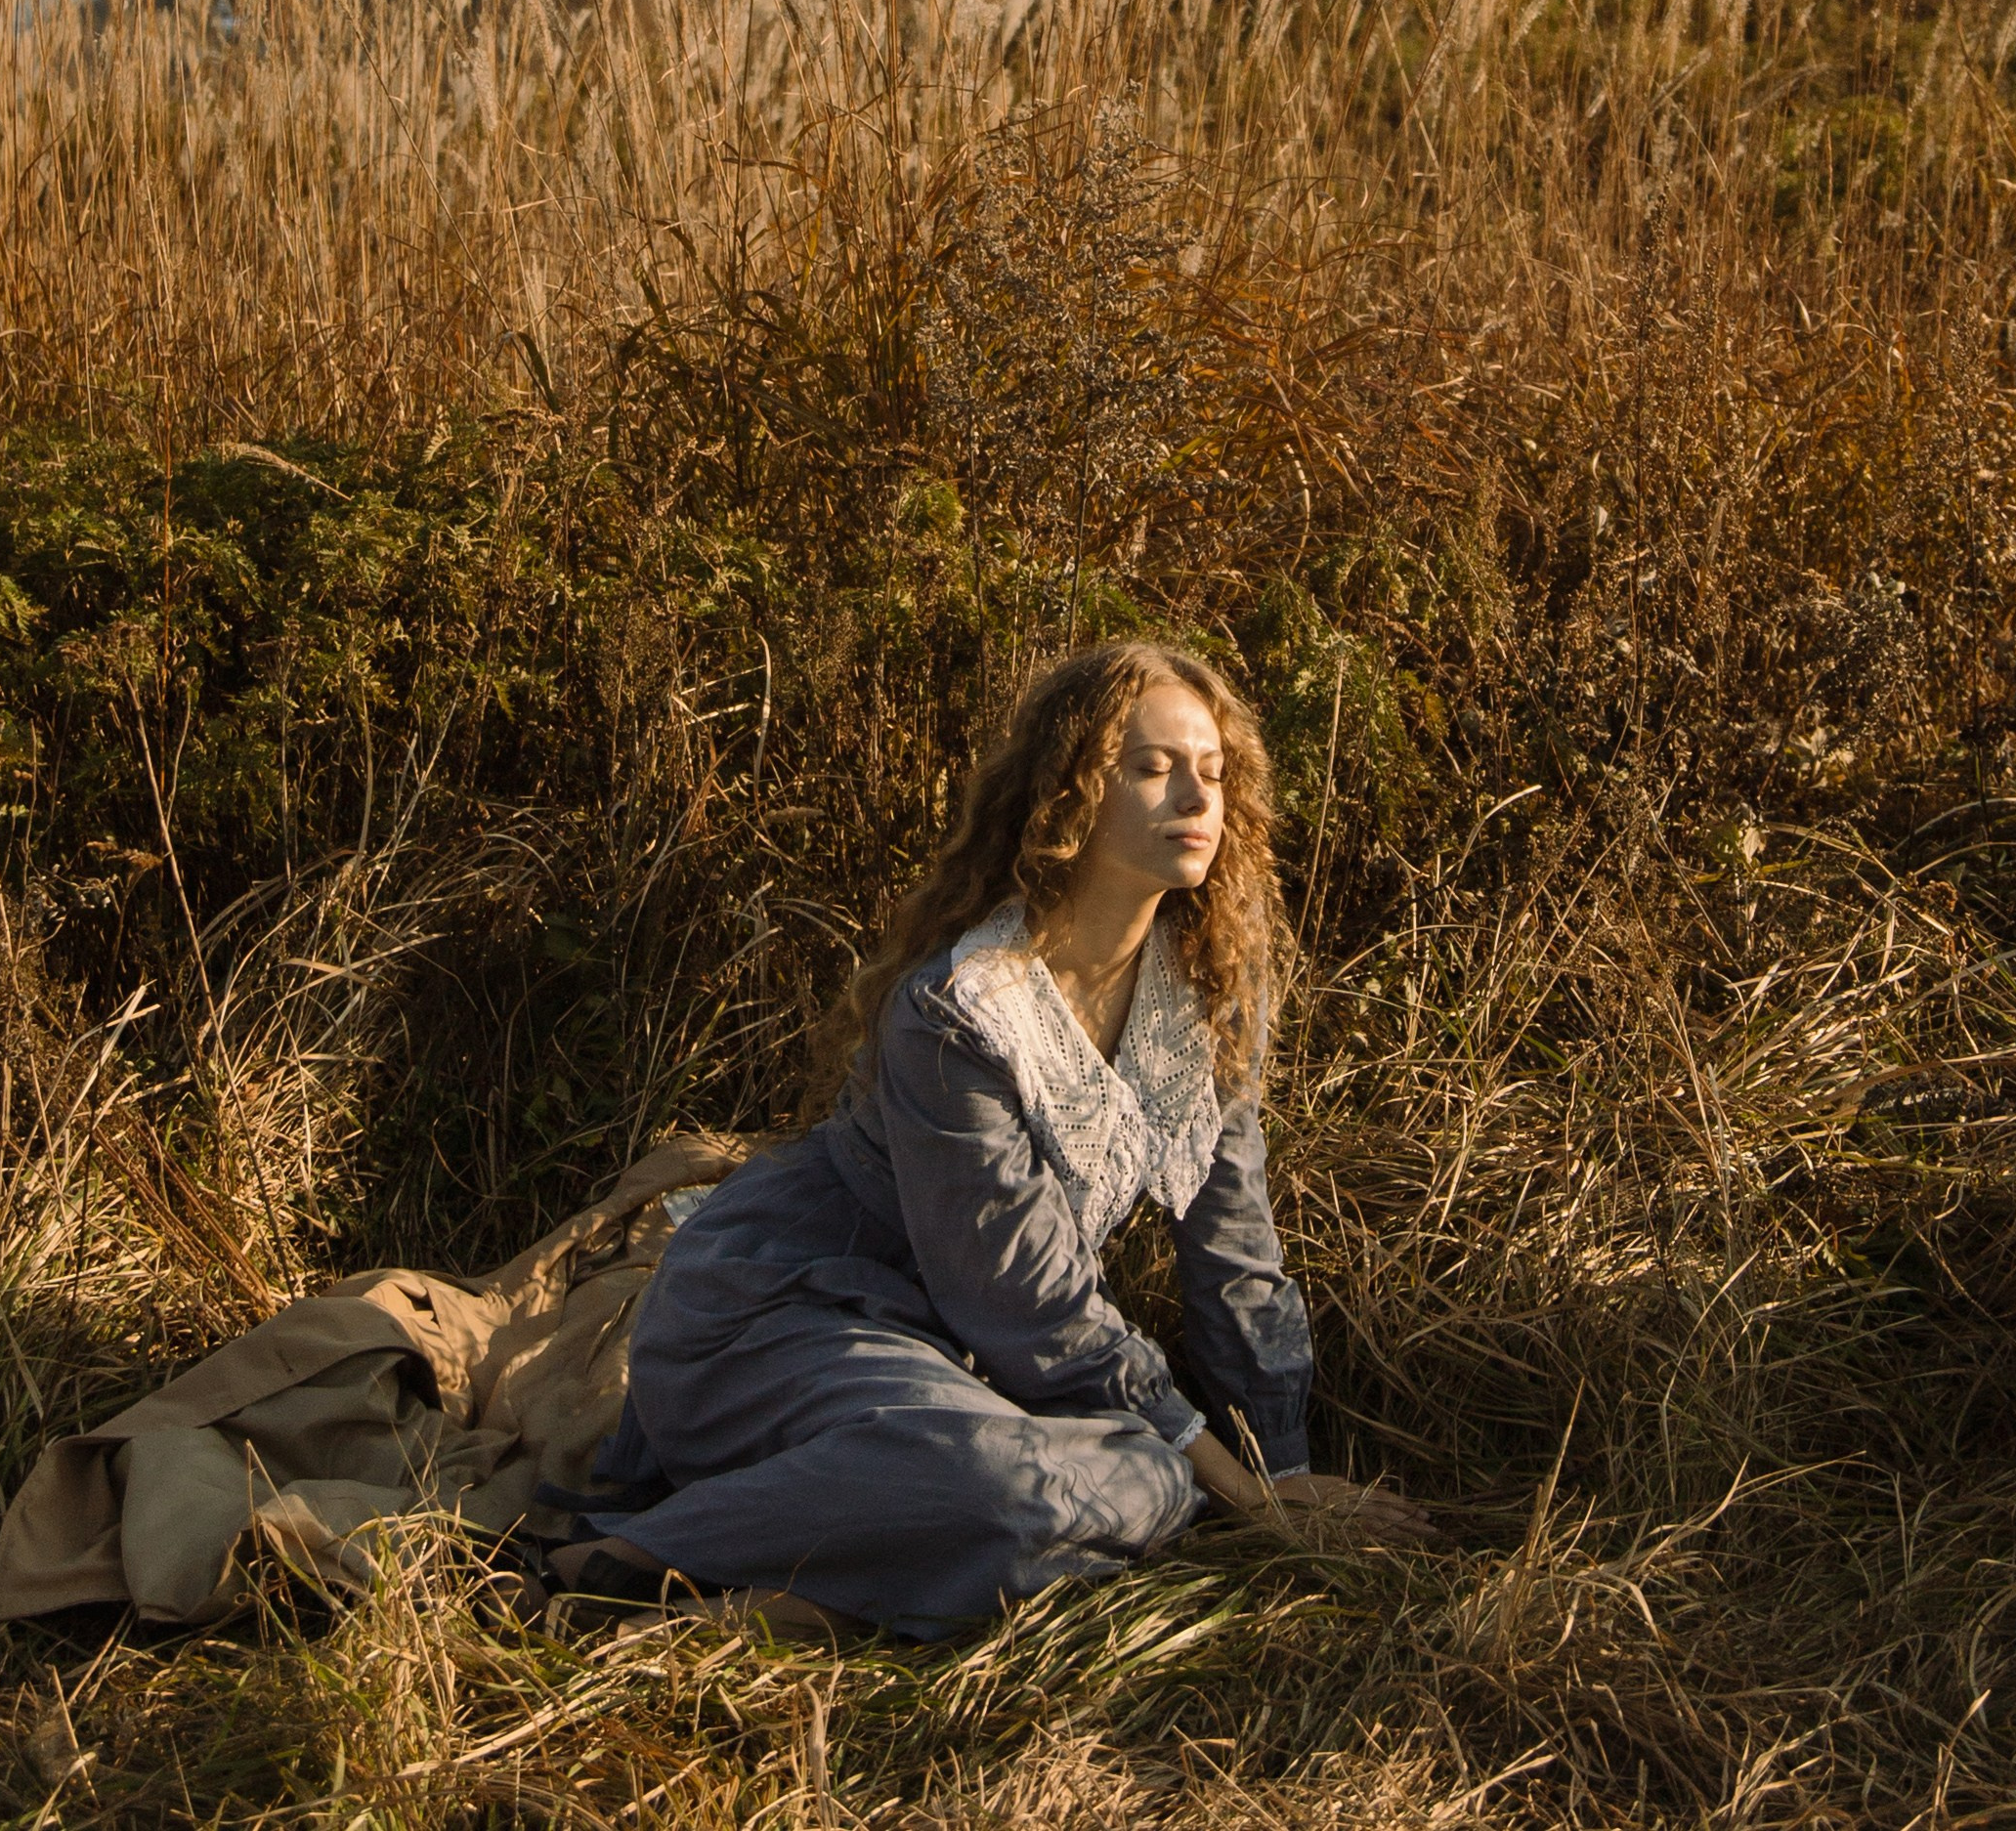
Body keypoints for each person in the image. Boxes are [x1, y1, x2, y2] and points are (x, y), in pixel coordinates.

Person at [542, 637, 1431, 1637]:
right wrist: (1247, 1499)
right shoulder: (963, 1010)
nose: (1196, 795)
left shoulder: (1212, 990)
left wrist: (1280, 1475)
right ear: (1072, 793)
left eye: (1214, 772)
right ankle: (627, 1561)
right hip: (785, 1313)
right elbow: (1027, 1302)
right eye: (1152, 767)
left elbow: (1235, 1253)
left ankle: (791, 1608)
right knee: (1004, 1481)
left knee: (1147, 1476)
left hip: (963, 1369)